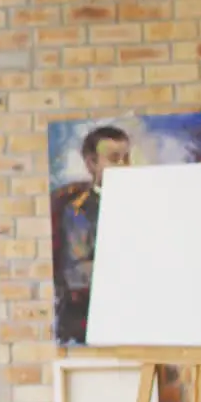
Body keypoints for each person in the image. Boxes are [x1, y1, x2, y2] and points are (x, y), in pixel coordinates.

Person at [50, 125, 130, 345]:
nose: (124, 166)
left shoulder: (139, 202)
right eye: (115, 159)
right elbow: (78, 273)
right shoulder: (78, 211)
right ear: (91, 163)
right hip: (92, 316)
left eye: (127, 158)